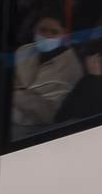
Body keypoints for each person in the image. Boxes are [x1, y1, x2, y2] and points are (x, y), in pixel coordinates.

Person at [11, 10, 83, 138]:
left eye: (54, 33)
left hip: (39, 132)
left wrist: (19, 95)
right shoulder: (23, 51)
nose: (47, 37)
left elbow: (51, 115)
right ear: (35, 30)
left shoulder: (72, 68)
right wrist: (30, 96)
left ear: (63, 34)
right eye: (42, 30)